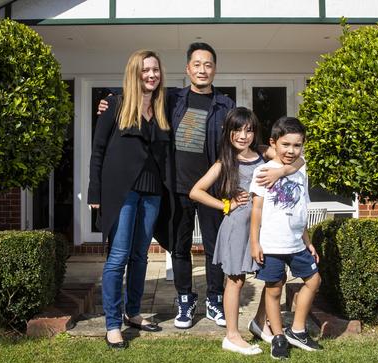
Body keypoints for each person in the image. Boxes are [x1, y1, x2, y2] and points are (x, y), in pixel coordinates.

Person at [98, 42, 289, 329]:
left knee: (214, 248)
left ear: (214, 69)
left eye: (208, 64)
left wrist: (284, 162)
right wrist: (111, 97)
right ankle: (185, 299)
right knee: (179, 247)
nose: (202, 69)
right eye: (197, 64)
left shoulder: (225, 106)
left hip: (213, 188)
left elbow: (243, 137)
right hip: (176, 186)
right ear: (188, 69)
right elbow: (141, 91)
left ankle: (214, 299)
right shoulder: (172, 99)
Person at [189, 107, 304, 355]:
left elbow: (299, 159)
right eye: (238, 129)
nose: (244, 135)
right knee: (236, 280)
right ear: (228, 132)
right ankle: (232, 336)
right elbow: (195, 192)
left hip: (265, 226)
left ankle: (259, 323)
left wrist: (280, 171)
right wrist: (225, 205)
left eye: (249, 130)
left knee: (276, 277)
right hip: (237, 227)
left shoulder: (265, 153)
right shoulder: (224, 162)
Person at [88, 49, 171, 349]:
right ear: (135, 73)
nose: (151, 75)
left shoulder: (163, 106)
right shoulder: (115, 104)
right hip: (120, 192)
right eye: (145, 70)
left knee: (140, 255)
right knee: (118, 256)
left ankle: (133, 312)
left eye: (156, 70)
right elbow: (97, 151)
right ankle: (112, 324)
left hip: (152, 193)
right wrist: (94, 191)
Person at [249, 117, 323, 360]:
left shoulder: (300, 171)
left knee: (314, 280)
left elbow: (299, 210)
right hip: (271, 243)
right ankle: (278, 336)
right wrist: (254, 242)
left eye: (297, 145)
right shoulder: (262, 171)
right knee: (274, 289)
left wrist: (307, 240)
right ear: (273, 143)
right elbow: (257, 210)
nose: (291, 150)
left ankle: (298, 330)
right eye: (286, 144)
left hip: (296, 242)